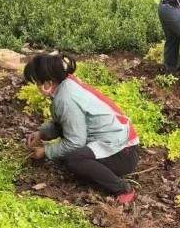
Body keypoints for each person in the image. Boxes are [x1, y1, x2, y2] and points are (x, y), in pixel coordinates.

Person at [23, 53, 139, 204]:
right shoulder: (67, 84)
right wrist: (42, 133)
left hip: (123, 154)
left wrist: (46, 151)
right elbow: (65, 123)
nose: (37, 87)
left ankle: (123, 189)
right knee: (68, 155)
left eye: (37, 82)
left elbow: (75, 142)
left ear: (47, 83)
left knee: (74, 160)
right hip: (121, 144)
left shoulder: (65, 99)